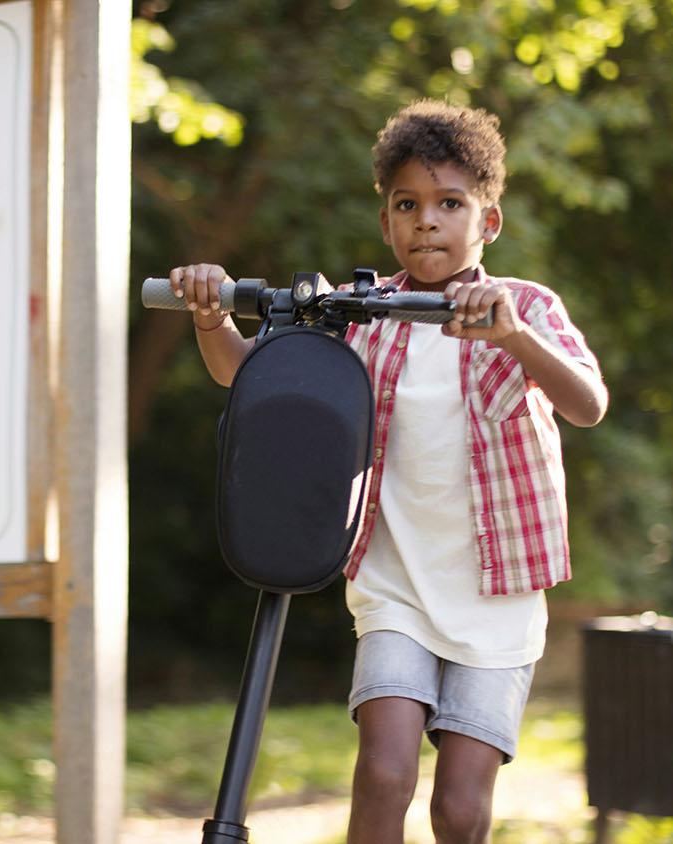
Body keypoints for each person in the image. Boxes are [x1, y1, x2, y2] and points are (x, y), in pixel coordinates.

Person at [168, 99, 607, 844]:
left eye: (449, 203)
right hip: (396, 587)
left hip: (496, 597)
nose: (427, 221)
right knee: (383, 774)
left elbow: (587, 402)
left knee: (460, 812)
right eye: (408, 204)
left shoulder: (523, 307)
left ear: (487, 222)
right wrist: (214, 316)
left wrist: (516, 335)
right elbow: (250, 375)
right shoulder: (362, 313)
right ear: (387, 224)